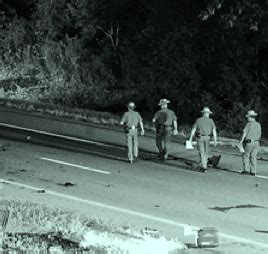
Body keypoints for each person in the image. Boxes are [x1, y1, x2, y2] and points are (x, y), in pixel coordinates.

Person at [189, 107, 217, 172]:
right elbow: (214, 130)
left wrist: (190, 138)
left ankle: (204, 166)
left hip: (200, 137)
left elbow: (194, 129)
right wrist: (215, 140)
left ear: (203, 113)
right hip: (208, 137)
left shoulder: (198, 120)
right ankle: (204, 165)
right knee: (206, 152)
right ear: (208, 114)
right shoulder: (211, 121)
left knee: (201, 152)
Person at [238, 110, 262, 176]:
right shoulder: (258, 125)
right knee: (253, 157)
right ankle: (253, 171)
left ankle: (246, 170)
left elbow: (244, 133)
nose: (247, 118)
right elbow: (259, 134)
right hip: (256, 142)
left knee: (246, 155)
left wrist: (240, 142)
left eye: (248, 117)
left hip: (249, 142)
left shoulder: (248, 124)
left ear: (250, 117)